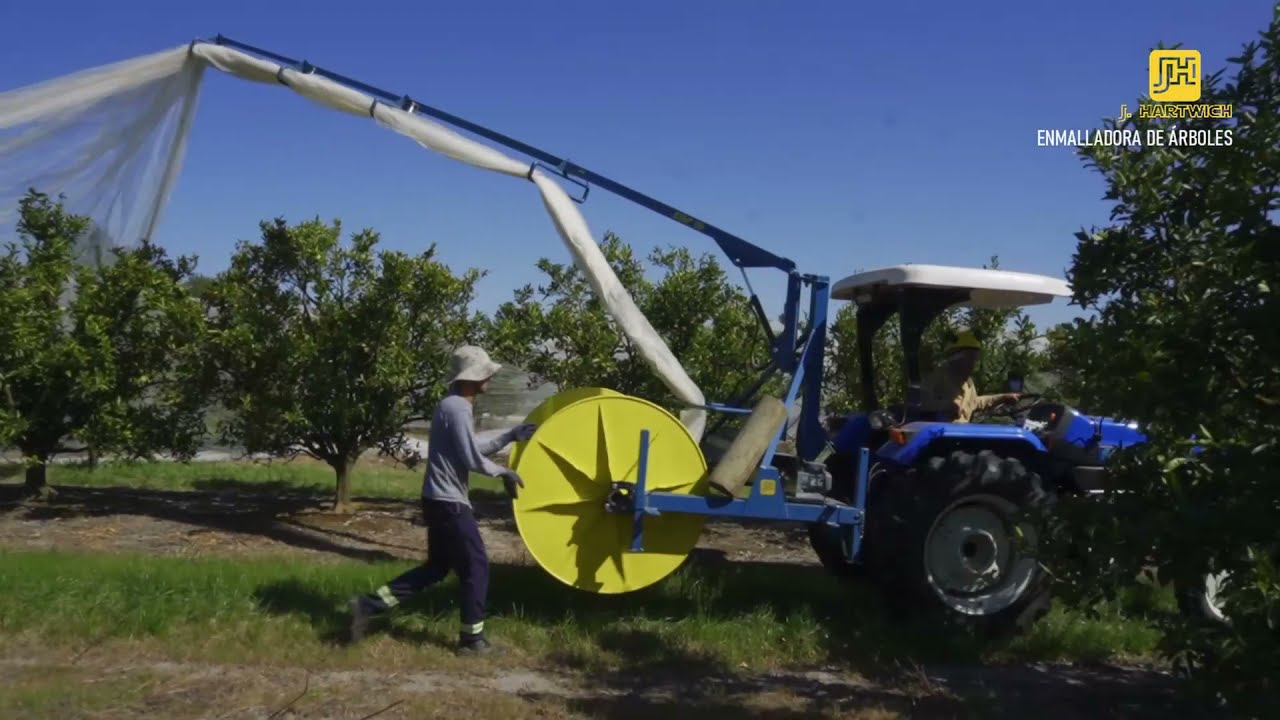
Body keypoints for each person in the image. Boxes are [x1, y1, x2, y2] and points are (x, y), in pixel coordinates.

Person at [348, 345, 534, 655]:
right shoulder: (458, 407)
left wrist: (509, 436)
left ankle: (368, 605)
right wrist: (504, 473)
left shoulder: (451, 405)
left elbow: (470, 447)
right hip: (449, 502)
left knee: (436, 568)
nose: (490, 376)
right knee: (477, 567)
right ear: (472, 377)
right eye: (486, 371)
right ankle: (472, 641)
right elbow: (471, 459)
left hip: (436, 498)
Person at [918, 329, 1020, 423]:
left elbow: (975, 402)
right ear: (955, 357)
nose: (974, 362)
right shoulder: (937, 375)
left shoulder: (968, 383)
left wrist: (1002, 397)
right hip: (941, 436)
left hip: (962, 436)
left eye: (976, 357)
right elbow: (920, 401)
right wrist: (946, 406)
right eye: (970, 357)